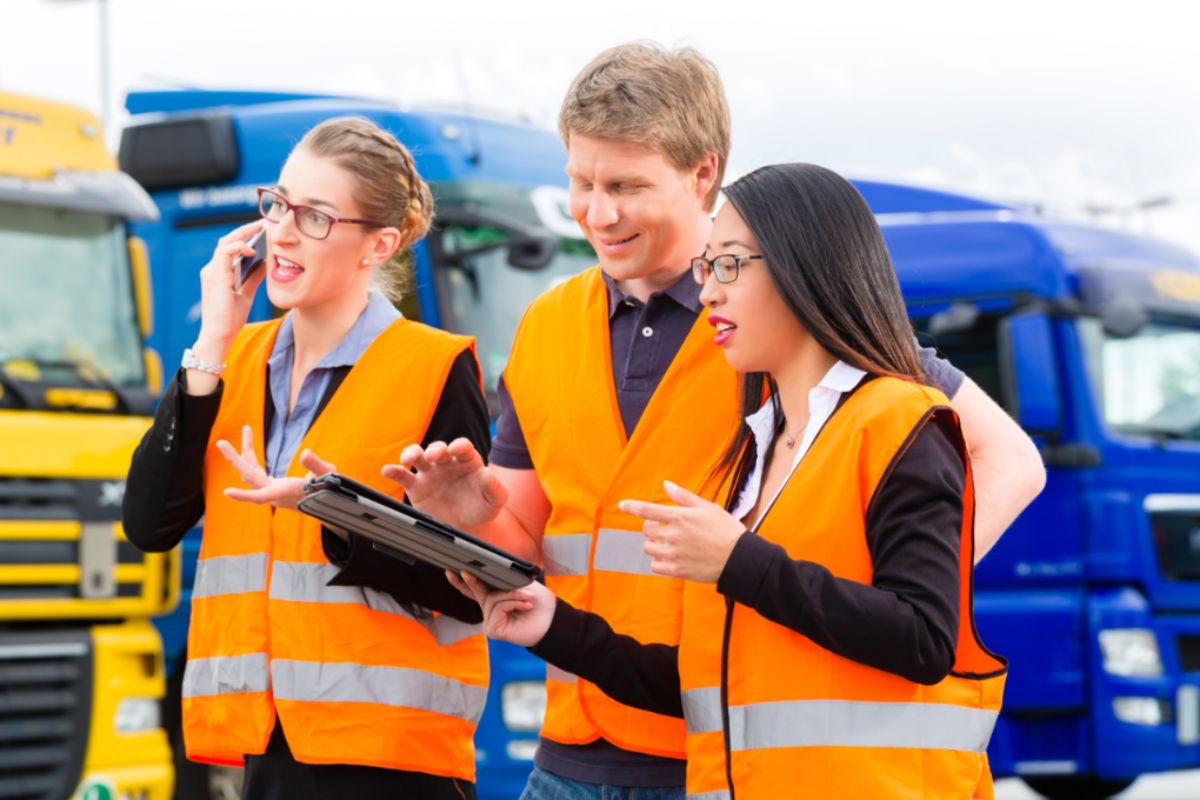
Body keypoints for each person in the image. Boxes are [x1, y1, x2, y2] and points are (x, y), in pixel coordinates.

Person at [386, 43, 1041, 800]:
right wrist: (465, 517)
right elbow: (530, 543)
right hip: (574, 742)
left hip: (734, 749)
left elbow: (1009, 461)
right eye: (580, 181)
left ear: (704, 173)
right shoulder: (544, 327)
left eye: (626, 185)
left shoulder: (792, 326)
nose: (598, 212)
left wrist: (876, 602)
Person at [122, 116, 492, 800]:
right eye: (279, 204)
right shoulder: (234, 361)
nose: (282, 231)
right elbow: (148, 525)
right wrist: (211, 342)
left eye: (315, 217)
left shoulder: (434, 369)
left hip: (392, 768)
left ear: (377, 245)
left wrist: (333, 517)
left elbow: (470, 586)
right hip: (264, 752)